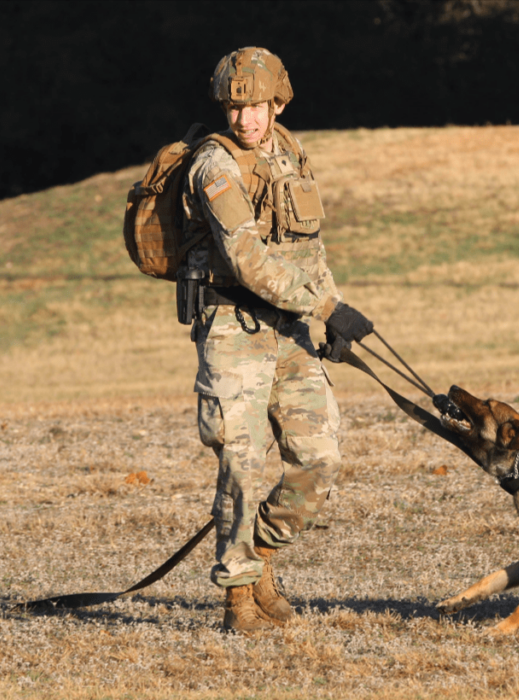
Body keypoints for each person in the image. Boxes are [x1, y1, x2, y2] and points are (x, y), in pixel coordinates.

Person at [180, 47, 372, 633]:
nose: (246, 119)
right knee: (240, 464)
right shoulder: (213, 164)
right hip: (232, 330)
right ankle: (238, 600)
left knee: (321, 458)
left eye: (257, 106)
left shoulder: (289, 150)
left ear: (277, 103)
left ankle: (259, 557)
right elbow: (245, 259)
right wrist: (326, 306)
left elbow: (309, 248)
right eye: (235, 108)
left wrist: (328, 317)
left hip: (290, 330)